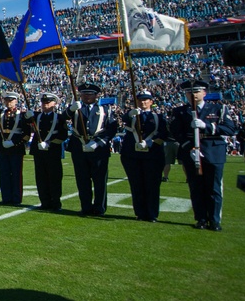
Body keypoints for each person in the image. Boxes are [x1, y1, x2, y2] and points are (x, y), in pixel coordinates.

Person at [169, 79, 236, 231]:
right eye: (188, 92)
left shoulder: (218, 108)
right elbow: (176, 132)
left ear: (204, 93)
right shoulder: (180, 111)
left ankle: (214, 220)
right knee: (196, 188)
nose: (192, 95)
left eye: (196, 91)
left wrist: (207, 126)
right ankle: (201, 218)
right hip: (191, 152)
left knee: (214, 188)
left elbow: (230, 129)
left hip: (213, 151)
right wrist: (189, 148)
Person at [66, 83, 118, 216]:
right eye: (84, 94)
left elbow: (111, 128)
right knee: (82, 179)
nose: (86, 96)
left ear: (96, 95)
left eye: (90, 94)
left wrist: (98, 143)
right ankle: (86, 207)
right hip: (79, 147)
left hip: (99, 149)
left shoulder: (105, 109)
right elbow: (62, 118)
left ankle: (99, 208)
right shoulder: (76, 108)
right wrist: (71, 109)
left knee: (100, 180)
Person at [119, 90, 169, 222]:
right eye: (140, 100)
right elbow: (124, 119)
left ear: (151, 102)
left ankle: (152, 213)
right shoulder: (132, 115)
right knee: (136, 184)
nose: (143, 102)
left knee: (152, 185)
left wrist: (149, 143)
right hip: (132, 155)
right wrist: (131, 113)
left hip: (153, 155)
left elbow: (164, 134)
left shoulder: (159, 117)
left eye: (146, 100)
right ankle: (140, 212)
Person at [30, 93, 69, 211]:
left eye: (48, 103)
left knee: (54, 178)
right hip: (39, 151)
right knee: (41, 178)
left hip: (52, 152)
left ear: (54, 104)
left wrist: (49, 143)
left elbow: (63, 134)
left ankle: (56, 203)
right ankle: (44, 202)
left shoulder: (59, 118)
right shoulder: (36, 116)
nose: (45, 105)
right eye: (43, 103)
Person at [0, 92, 32, 206]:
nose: (8, 102)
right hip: (2, 148)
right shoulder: (0, 113)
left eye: (11, 100)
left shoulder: (22, 115)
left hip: (16, 148)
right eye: (6, 100)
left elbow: (26, 134)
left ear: (16, 101)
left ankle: (16, 198)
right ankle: (5, 197)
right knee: (3, 173)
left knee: (16, 174)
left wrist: (15, 143)